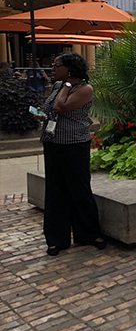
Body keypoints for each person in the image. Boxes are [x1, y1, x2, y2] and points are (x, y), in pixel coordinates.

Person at [35, 52, 105, 256]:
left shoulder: (85, 89)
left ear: (70, 69)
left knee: (79, 189)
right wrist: (41, 114)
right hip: (53, 142)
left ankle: (89, 234)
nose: (53, 69)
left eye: (57, 66)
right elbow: (50, 108)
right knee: (55, 191)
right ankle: (57, 239)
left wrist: (66, 86)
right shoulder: (57, 85)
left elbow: (60, 106)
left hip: (74, 144)